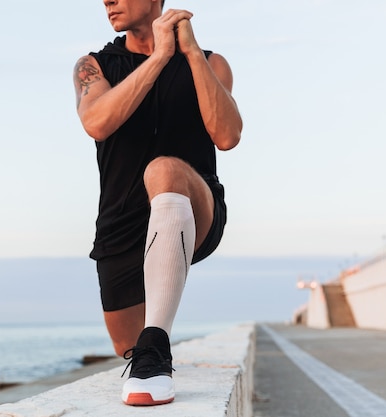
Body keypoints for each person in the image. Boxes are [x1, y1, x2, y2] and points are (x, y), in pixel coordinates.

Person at [73, 0, 242, 406]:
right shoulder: (93, 66)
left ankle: (155, 352)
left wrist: (186, 54)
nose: (107, 1)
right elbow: (96, 122)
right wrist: (160, 55)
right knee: (126, 343)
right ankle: (152, 344)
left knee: (163, 169)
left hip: (194, 201)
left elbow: (227, 135)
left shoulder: (210, 62)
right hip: (121, 224)